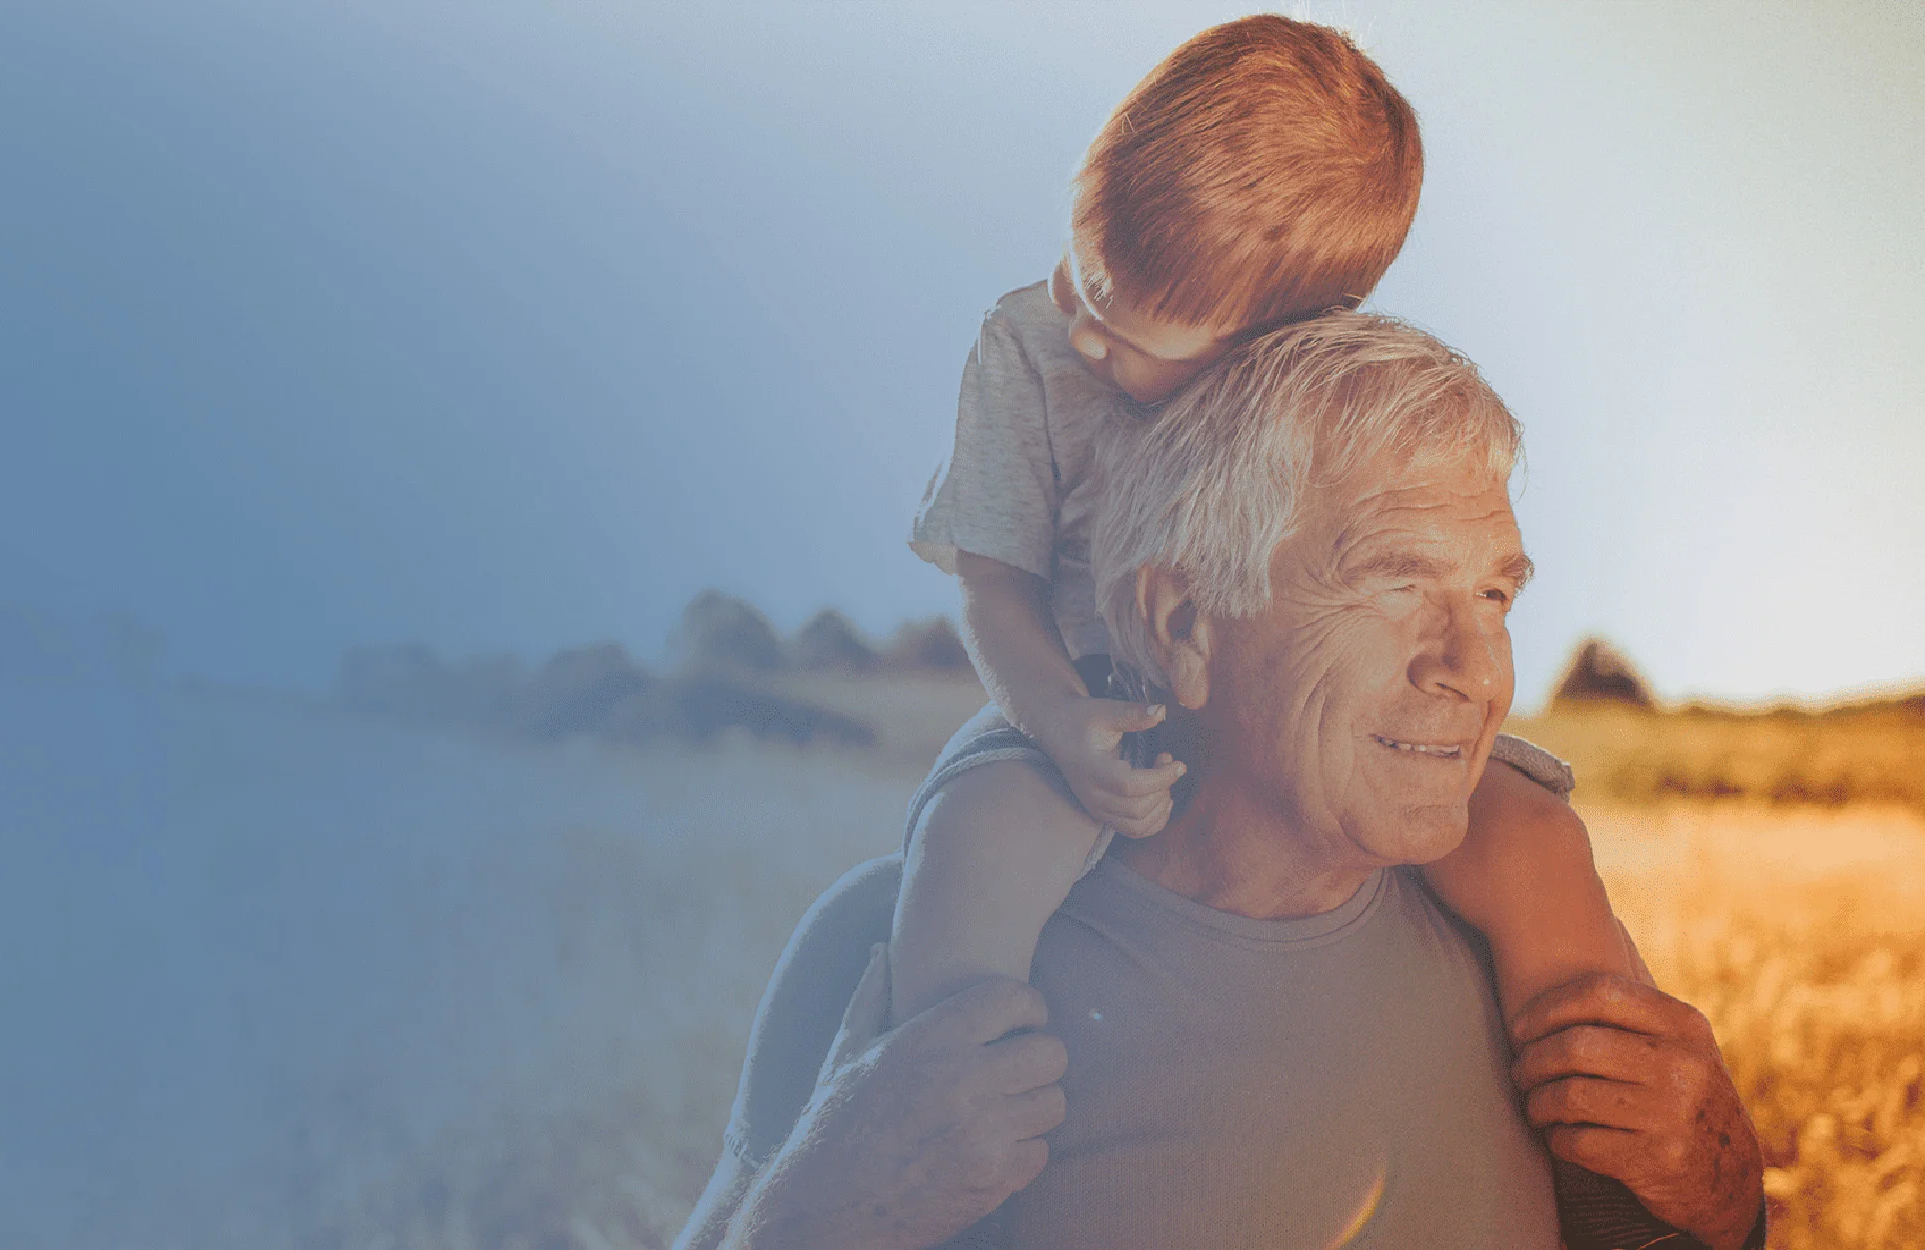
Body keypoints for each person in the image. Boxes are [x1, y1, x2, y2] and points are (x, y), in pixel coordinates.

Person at [678, 314, 1766, 1249]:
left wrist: (1724, 1190)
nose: (1473, 671)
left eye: (1491, 595)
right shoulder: (891, 946)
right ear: (1183, 623)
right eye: (1391, 585)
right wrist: (813, 1211)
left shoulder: (1530, 945)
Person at [891, 15, 1635, 1082]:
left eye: (1129, 332)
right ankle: (924, 1103)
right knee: (984, 834)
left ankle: (1619, 1149)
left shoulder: (1309, 382)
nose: (1083, 335)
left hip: (1282, 702)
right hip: (1081, 691)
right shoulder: (1023, 346)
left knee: (1529, 840)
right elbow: (989, 577)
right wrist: (1056, 719)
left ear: (1272, 330)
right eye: (1079, 275)